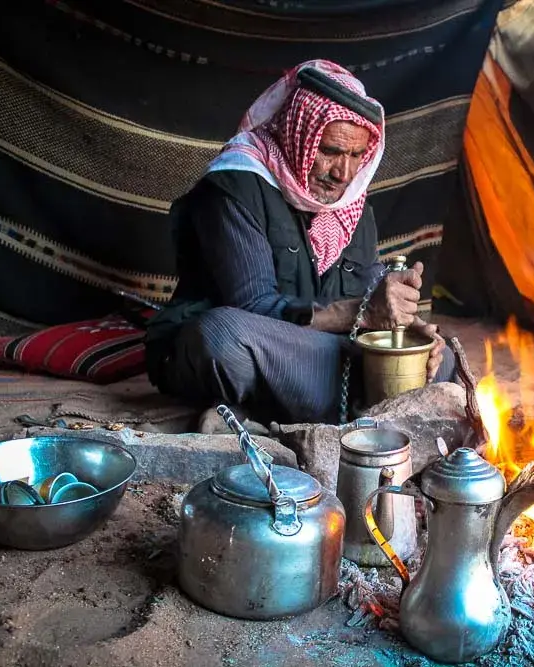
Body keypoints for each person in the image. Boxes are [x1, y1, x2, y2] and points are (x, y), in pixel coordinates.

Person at [144, 59, 455, 425]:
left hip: (318, 352)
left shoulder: (353, 205)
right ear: (299, 136)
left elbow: (368, 295)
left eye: (357, 156)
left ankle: (300, 404)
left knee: (442, 356)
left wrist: (403, 328)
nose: (344, 173)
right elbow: (254, 307)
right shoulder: (236, 187)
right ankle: (358, 406)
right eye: (331, 151)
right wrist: (362, 314)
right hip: (252, 346)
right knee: (223, 336)